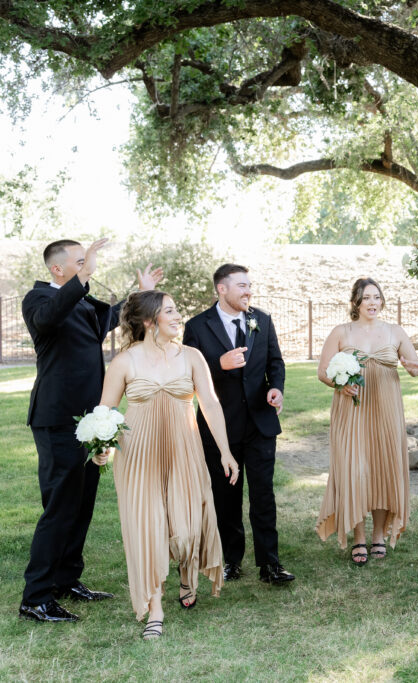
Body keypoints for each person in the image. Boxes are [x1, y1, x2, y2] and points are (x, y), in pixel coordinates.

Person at [19, 238, 162, 623]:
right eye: (80, 262)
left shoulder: (77, 300)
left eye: (87, 262)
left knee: (81, 504)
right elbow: (51, 315)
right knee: (60, 507)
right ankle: (35, 597)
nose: (89, 267)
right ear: (57, 269)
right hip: (56, 418)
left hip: (88, 420)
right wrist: (82, 278)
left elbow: (108, 318)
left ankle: (67, 580)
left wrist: (141, 294)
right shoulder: (38, 301)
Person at [96, 291, 239, 640]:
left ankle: (187, 573)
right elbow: (107, 411)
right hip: (138, 454)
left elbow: (210, 403)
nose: (179, 316)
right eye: (170, 311)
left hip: (183, 449)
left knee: (189, 525)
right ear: (149, 321)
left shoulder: (191, 356)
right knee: (150, 528)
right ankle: (155, 608)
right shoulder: (125, 361)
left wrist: (225, 451)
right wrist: (103, 447)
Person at [182, 263, 295, 586]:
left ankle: (269, 564)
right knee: (225, 497)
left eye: (249, 285)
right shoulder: (197, 326)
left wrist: (276, 388)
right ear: (222, 288)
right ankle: (231, 560)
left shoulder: (262, 319)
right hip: (220, 428)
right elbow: (189, 375)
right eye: (242, 286)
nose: (248, 291)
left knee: (263, 496)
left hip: (260, 422)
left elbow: (276, 362)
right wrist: (219, 364)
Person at [315, 278, 418, 564]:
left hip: (387, 409)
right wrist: (338, 385)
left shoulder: (395, 331)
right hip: (351, 409)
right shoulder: (341, 332)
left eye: (377, 297)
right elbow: (323, 371)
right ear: (356, 302)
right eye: (366, 298)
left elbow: (414, 367)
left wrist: (416, 366)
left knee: (382, 467)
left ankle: (378, 535)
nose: (373, 302)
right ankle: (358, 537)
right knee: (354, 468)